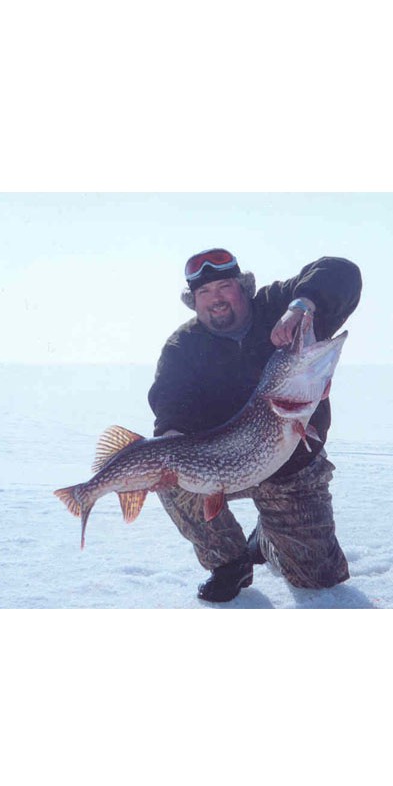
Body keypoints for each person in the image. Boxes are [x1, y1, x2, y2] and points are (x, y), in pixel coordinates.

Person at [148, 248, 362, 602]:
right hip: (220, 467)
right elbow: (170, 405)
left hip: (292, 469)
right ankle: (229, 563)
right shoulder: (182, 347)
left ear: (243, 287)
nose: (216, 299)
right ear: (194, 301)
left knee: (319, 579)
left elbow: (342, 272)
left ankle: (267, 541)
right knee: (172, 474)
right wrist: (172, 435)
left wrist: (302, 306)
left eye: (224, 286)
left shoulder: (277, 305)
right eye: (204, 292)